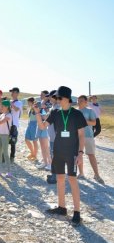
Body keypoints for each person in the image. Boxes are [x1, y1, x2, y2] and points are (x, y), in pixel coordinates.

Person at [35, 86, 87, 225]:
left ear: (66, 98)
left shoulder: (77, 114)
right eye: (55, 98)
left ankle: (77, 213)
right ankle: (62, 207)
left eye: (58, 98)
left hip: (72, 153)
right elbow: (42, 126)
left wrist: (81, 153)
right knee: (59, 178)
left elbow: (82, 136)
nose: (56, 100)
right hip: (58, 151)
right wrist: (37, 114)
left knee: (72, 179)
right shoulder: (55, 112)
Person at [76, 95, 105, 184]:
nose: (79, 102)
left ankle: (96, 175)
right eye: (78, 100)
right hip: (77, 137)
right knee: (78, 155)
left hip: (88, 136)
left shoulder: (90, 111)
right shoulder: (74, 111)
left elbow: (94, 123)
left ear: (86, 102)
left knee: (91, 155)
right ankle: (81, 174)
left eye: (81, 101)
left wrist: (84, 121)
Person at [36, 90, 52, 170]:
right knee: (42, 145)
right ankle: (45, 162)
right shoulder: (40, 102)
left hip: (46, 125)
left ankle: (50, 163)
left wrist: (44, 102)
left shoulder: (50, 103)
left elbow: (47, 115)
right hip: (40, 124)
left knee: (46, 146)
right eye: (40, 94)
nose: (40, 96)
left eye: (42, 95)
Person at [46, 90, 59, 184]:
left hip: (56, 137)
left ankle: (55, 177)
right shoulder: (53, 107)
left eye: (50, 96)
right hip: (52, 136)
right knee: (53, 156)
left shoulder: (57, 108)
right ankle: (54, 175)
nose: (49, 98)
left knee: (55, 157)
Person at [9, 87, 23, 162]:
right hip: (7, 123)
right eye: (11, 92)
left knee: (13, 141)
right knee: (5, 139)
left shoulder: (19, 102)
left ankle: (12, 157)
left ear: (17, 93)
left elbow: (17, 109)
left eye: (13, 92)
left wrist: (11, 104)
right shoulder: (11, 101)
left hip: (14, 124)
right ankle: (3, 156)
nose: (11, 93)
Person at [25, 97, 39, 161]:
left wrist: (34, 107)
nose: (28, 103)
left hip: (35, 124)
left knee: (34, 141)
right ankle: (32, 153)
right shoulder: (30, 108)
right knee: (26, 139)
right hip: (30, 124)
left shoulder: (35, 107)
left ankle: (35, 155)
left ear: (32, 102)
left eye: (28, 102)